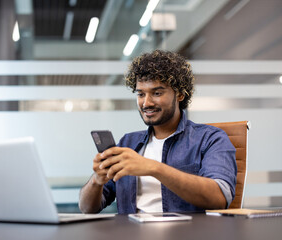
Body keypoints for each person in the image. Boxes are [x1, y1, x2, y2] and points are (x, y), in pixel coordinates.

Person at [79, 50, 237, 214]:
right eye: (141, 94)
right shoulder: (128, 143)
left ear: (180, 94)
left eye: (157, 93)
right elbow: (87, 208)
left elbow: (220, 198)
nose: (146, 103)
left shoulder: (210, 138)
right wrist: (97, 181)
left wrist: (153, 168)